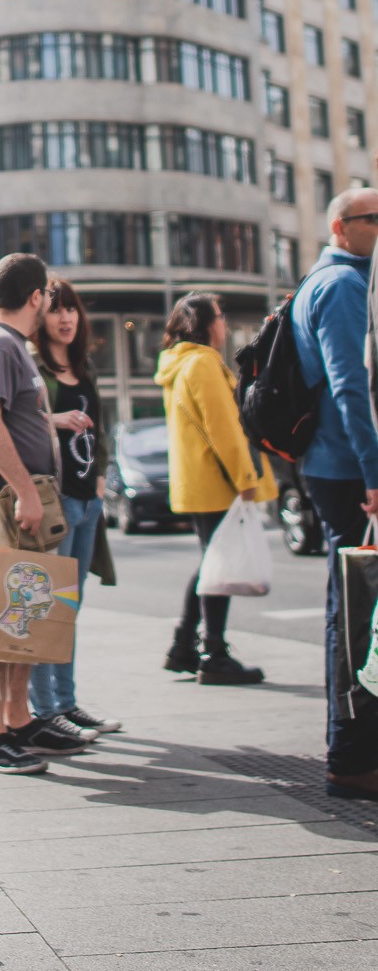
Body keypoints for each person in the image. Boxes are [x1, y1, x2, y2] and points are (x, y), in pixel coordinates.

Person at [0, 255, 85, 772]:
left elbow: (11, 415)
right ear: (36, 297)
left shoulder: (9, 345)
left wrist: (48, 421)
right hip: (4, 503)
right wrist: (26, 493)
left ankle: (16, 719)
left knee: (23, 614)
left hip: (17, 501)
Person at [295, 188, 378, 797]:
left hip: (334, 465)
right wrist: (374, 476)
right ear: (340, 226)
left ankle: (350, 754)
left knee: (348, 609)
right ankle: (350, 758)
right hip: (347, 468)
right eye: (372, 218)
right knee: (353, 613)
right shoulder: (344, 285)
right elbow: (351, 388)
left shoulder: (328, 279)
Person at [156, 291, 276, 685]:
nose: (223, 323)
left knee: (212, 563)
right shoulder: (203, 365)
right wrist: (246, 480)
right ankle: (212, 652)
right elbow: (223, 429)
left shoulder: (180, 364)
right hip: (217, 481)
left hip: (198, 481)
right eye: (220, 316)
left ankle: (186, 646)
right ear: (206, 325)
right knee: (216, 567)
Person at [28, 279, 120, 738]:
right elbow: (11, 420)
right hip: (56, 500)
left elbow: (101, 428)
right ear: (39, 315)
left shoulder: (84, 368)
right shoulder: (33, 365)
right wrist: (54, 419)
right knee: (48, 607)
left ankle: (67, 702)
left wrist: (102, 474)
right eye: (54, 309)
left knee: (70, 605)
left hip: (87, 500)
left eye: (71, 310)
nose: (65, 318)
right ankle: (44, 710)